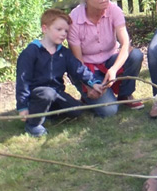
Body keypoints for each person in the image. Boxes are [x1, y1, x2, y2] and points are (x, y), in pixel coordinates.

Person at [68, 0, 144, 117]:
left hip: (110, 60)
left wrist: (114, 69)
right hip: (87, 69)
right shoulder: (74, 19)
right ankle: (87, 96)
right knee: (109, 111)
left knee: (135, 55)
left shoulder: (114, 10)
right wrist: (88, 84)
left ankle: (125, 95)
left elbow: (126, 43)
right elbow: (77, 61)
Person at [15, 9, 102, 137]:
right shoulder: (31, 52)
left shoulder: (64, 53)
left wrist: (93, 82)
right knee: (47, 93)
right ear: (45, 29)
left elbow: (79, 69)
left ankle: (49, 113)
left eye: (66, 31)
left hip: (56, 93)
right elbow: (23, 81)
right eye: (59, 29)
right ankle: (33, 124)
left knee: (77, 110)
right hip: (37, 95)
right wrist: (22, 106)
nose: (63, 34)